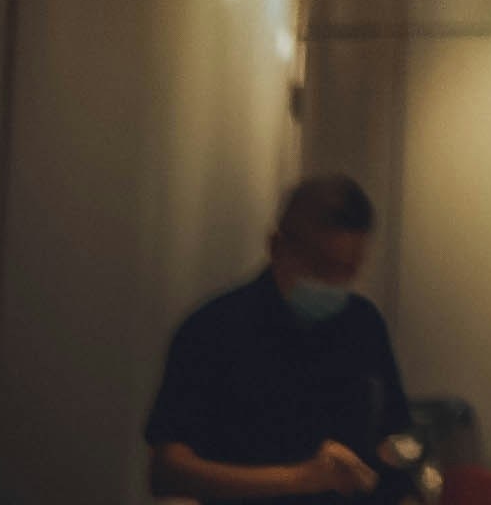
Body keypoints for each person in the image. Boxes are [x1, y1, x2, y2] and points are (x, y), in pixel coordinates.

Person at [146, 176, 415, 504]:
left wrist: (397, 463)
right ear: (277, 247)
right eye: (322, 268)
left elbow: (398, 432)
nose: (335, 283)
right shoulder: (213, 331)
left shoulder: (363, 325)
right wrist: (297, 479)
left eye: (349, 269)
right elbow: (168, 470)